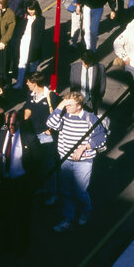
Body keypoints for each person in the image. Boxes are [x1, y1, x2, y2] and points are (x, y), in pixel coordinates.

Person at [46, 92, 107, 231]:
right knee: (66, 190)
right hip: (65, 160)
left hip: (84, 162)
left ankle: (85, 212)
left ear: (79, 105)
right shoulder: (63, 116)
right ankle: (68, 218)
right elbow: (50, 123)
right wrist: (61, 105)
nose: (67, 107)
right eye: (66, 104)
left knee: (80, 191)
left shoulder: (89, 118)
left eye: (70, 105)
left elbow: (101, 137)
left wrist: (84, 147)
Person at [0, 110, 42, 252]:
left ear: (19, 123)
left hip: (21, 182)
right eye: (7, 124)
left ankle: (23, 244)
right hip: (5, 182)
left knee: (23, 215)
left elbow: (38, 160)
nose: (10, 127)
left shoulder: (29, 138)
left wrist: (32, 183)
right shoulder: (0, 135)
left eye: (13, 124)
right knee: (5, 214)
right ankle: (6, 243)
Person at [22, 71, 61, 206]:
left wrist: (52, 129)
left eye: (28, 82)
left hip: (45, 136)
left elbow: (60, 115)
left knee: (48, 165)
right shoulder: (30, 94)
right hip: (32, 134)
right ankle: (43, 188)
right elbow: (28, 106)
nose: (26, 83)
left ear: (34, 83)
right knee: (37, 163)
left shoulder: (51, 97)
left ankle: (53, 193)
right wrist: (26, 117)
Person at [13, 0, 45, 89]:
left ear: (37, 9)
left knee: (32, 65)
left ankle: (32, 83)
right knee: (22, 62)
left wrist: (37, 46)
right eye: (29, 9)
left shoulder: (41, 19)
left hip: (34, 44)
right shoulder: (24, 17)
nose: (30, 11)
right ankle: (19, 82)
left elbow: (40, 34)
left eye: (32, 9)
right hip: (24, 41)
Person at [68, 48, 106, 113]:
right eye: (84, 63)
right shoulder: (74, 67)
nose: (86, 65)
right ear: (81, 60)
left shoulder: (101, 68)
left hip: (92, 100)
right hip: (79, 99)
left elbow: (102, 84)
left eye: (89, 64)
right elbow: (72, 84)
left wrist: (98, 98)